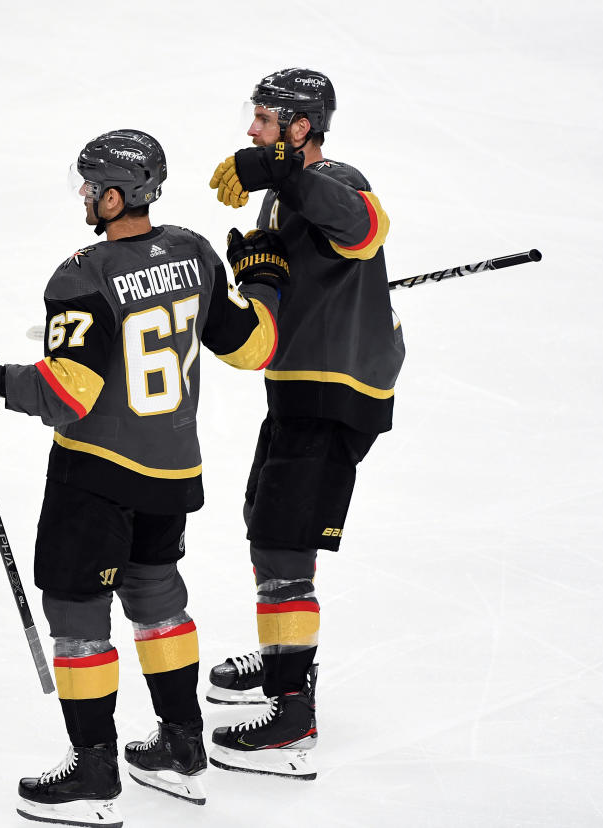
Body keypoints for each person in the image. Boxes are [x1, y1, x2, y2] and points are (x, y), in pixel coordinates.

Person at [0, 130, 282, 825]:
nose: (85, 197)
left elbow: (67, 395)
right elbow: (256, 346)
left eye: (91, 187)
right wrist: (264, 279)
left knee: (78, 612)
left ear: (114, 196)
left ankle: (93, 773)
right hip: (172, 468)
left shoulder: (81, 274)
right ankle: (181, 746)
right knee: (156, 595)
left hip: (98, 472)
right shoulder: (195, 253)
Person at [203, 68, 406, 779]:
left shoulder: (334, 176)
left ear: (298, 127)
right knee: (264, 518)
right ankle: (280, 656)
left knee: (285, 544)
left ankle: (291, 714)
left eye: (264, 121)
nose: (251, 132)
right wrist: (257, 272)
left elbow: (366, 225)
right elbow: (288, 291)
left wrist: (280, 169)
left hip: (333, 391)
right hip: (299, 385)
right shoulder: (280, 198)